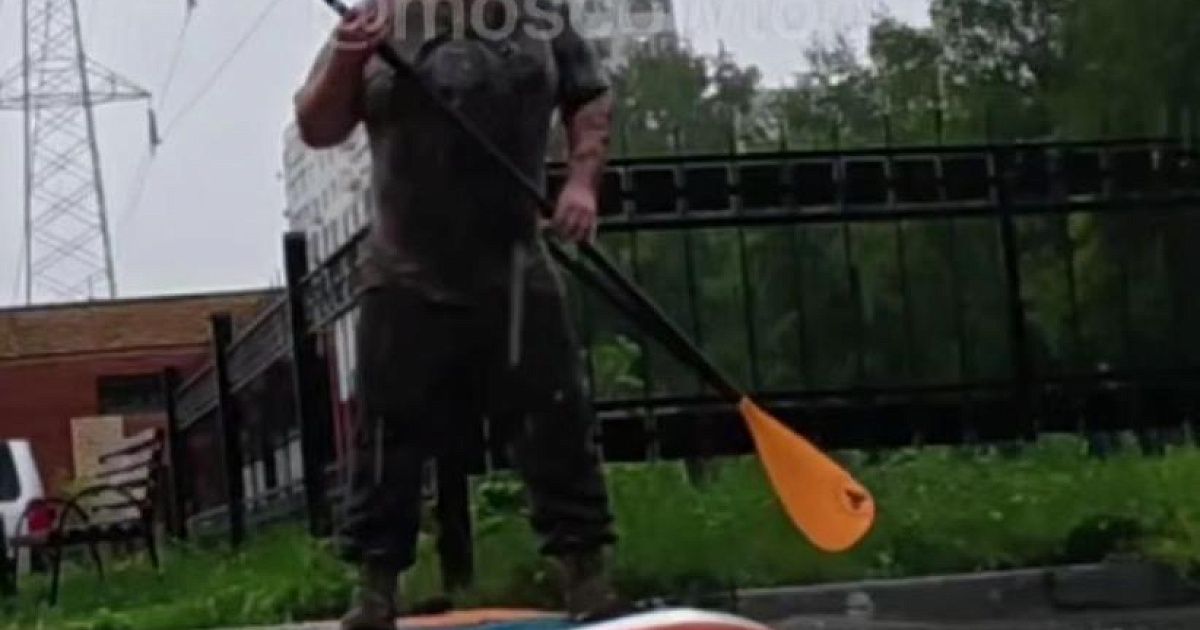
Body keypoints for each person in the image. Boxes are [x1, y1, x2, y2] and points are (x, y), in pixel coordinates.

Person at [293, 0, 620, 628]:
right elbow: (317, 125)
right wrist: (346, 61)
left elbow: (589, 94)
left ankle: (586, 574)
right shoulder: (377, 22)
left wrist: (582, 182)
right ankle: (376, 587)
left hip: (514, 267)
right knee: (387, 435)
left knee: (556, 418)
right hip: (405, 270)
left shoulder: (539, 18)